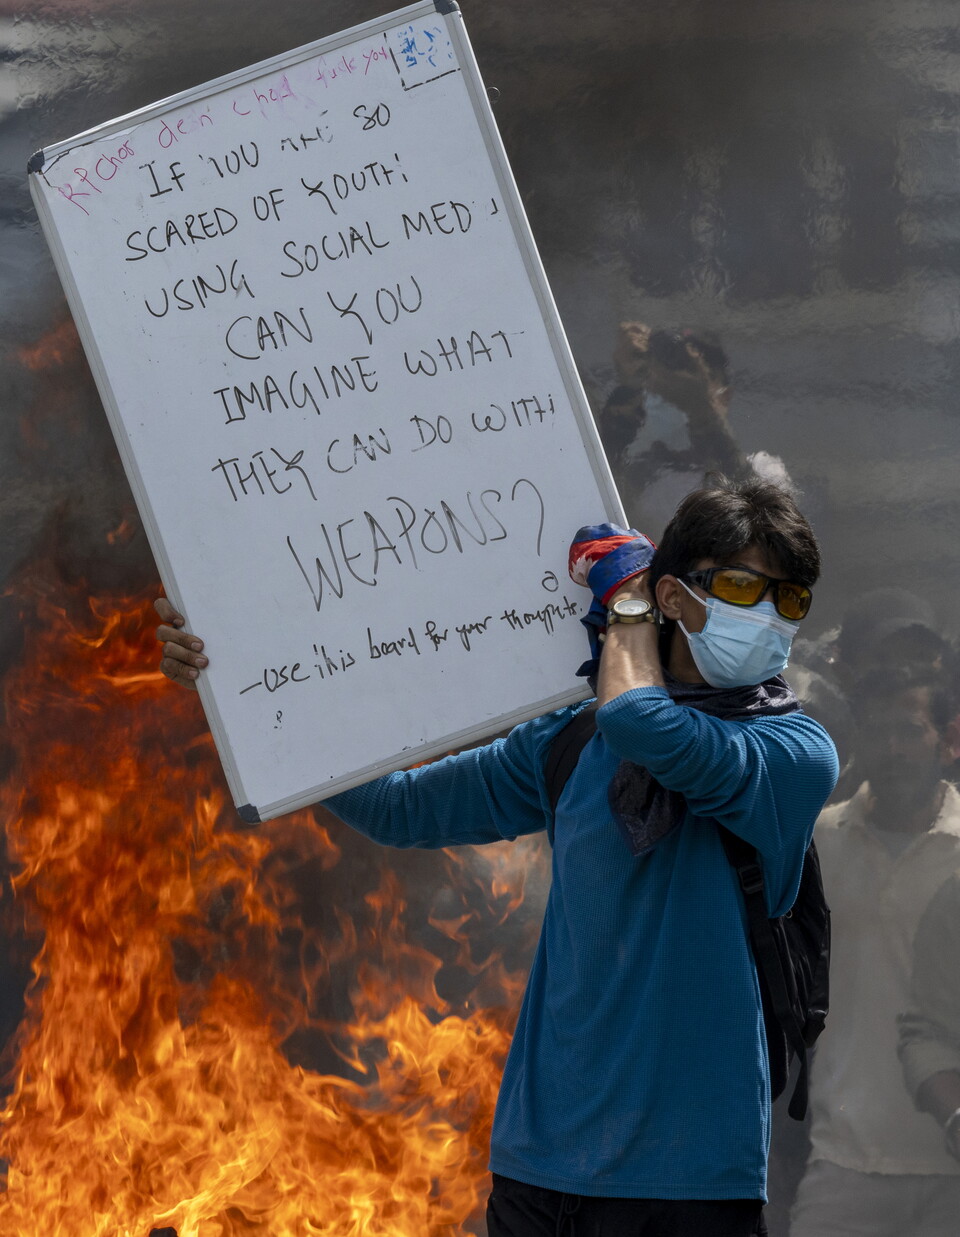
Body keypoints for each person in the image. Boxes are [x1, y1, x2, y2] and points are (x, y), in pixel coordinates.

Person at [156, 478, 837, 1237]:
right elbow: (398, 807)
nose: (769, 616)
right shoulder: (575, 740)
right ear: (676, 596)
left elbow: (645, 724)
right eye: (744, 587)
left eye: (791, 600)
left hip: (689, 1181)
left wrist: (627, 606)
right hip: (539, 1170)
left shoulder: (794, 752)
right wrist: (238, 697)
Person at [789, 667, 960, 1237]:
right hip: (844, 1159)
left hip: (951, 1166)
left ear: (949, 739)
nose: (893, 749)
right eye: (878, 731)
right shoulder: (818, 842)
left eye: (910, 730)